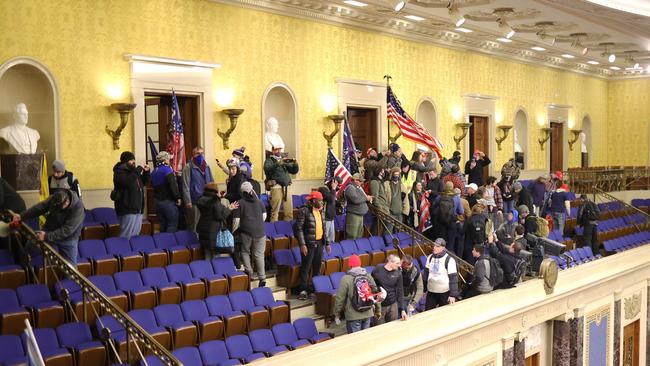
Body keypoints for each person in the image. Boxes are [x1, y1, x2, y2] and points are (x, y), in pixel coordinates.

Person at [14, 190, 84, 267]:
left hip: (68, 238)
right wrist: (22, 216)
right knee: (28, 249)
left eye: (59, 208)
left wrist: (46, 236)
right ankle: (22, 272)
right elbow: (39, 208)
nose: (57, 209)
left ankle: (68, 279)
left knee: (70, 268)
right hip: (50, 229)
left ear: (66, 202)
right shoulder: (55, 198)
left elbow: (67, 230)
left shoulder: (78, 208)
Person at [295, 191, 330, 300]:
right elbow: (298, 229)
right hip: (309, 244)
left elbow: (324, 227)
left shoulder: (321, 210)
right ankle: (303, 290)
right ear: (313, 200)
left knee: (317, 267)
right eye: (320, 200)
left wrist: (327, 242)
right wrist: (302, 244)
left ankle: (314, 289)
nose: (322, 202)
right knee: (306, 267)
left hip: (320, 243)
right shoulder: (304, 211)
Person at [333, 254, 381, 334]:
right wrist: (378, 310)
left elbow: (340, 298)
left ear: (350, 265)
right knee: (365, 338)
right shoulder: (368, 276)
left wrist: (337, 314)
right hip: (368, 312)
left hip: (353, 315)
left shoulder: (346, 279)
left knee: (354, 340)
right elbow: (376, 293)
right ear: (360, 263)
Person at [233, 181, 267, 287]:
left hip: (246, 232)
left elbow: (236, 221)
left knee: (245, 252)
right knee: (259, 255)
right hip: (260, 232)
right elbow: (264, 216)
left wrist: (233, 231)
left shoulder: (239, 203)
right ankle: (262, 277)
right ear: (252, 190)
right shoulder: (259, 201)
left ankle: (249, 273)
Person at [112, 151, 150, 238]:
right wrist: (137, 171)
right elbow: (127, 182)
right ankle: (122, 251)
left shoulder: (133, 172)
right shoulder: (119, 172)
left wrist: (146, 172)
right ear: (125, 161)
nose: (134, 162)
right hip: (127, 208)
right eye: (131, 160)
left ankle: (132, 251)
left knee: (135, 235)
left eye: (134, 159)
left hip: (138, 208)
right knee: (126, 235)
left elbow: (143, 183)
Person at [196, 183, 238, 260]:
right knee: (213, 256)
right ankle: (213, 270)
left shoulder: (201, 199)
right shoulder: (215, 201)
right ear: (215, 191)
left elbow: (210, 207)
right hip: (213, 231)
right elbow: (219, 216)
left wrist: (219, 199)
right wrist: (229, 209)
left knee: (206, 253)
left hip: (202, 229)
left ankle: (207, 270)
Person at [182, 146, 214, 232]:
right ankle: (193, 244)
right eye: (198, 153)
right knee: (194, 225)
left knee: (206, 224)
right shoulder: (188, 167)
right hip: (195, 201)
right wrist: (188, 201)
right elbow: (185, 185)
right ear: (193, 155)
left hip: (207, 200)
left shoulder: (207, 167)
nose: (200, 155)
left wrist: (215, 197)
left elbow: (212, 183)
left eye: (202, 153)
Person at [264, 145, 299, 222]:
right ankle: (273, 231)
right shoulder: (269, 160)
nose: (279, 151)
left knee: (289, 212)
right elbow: (267, 169)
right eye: (276, 149)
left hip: (287, 187)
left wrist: (295, 164)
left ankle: (287, 230)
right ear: (273, 150)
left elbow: (294, 171)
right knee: (275, 212)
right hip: (276, 187)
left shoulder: (284, 160)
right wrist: (278, 164)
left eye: (280, 149)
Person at [423, 238, 458, 310]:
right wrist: (424, 290)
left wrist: (452, 295)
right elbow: (426, 275)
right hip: (431, 292)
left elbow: (453, 278)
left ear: (443, 248)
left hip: (444, 293)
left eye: (437, 246)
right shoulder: (430, 257)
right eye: (434, 245)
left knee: (444, 314)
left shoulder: (449, 259)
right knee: (427, 313)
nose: (434, 247)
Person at [151, 151, 181, 233]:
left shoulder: (154, 171)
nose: (169, 160)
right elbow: (173, 185)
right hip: (168, 202)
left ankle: (162, 243)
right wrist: (178, 197)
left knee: (162, 224)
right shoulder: (167, 170)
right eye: (168, 159)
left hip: (157, 202)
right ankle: (169, 244)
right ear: (165, 159)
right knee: (172, 224)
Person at [372, 254, 407, 323]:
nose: (399, 265)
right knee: (379, 328)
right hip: (379, 306)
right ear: (390, 262)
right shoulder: (377, 269)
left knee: (393, 327)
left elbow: (400, 291)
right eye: (397, 263)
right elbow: (371, 285)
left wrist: (402, 309)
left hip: (393, 304)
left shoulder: (398, 273)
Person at [344, 173, 371, 239]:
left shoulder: (357, 188)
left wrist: (366, 197)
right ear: (355, 180)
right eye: (360, 181)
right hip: (353, 216)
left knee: (359, 236)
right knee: (352, 236)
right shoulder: (350, 187)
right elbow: (355, 200)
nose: (361, 183)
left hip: (359, 215)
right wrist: (366, 198)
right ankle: (351, 249)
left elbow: (361, 197)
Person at [318, 177, 341, 245]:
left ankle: (331, 254)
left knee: (331, 240)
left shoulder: (332, 192)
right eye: (336, 184)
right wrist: (333, 189)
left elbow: (334, 201)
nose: (337, 186)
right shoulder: (323, 189)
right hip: (325, 219)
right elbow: (331, 199)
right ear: (332, 183)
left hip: (331, 219)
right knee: (325, 240)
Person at [369, 169, 389, 235]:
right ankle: (376, 241)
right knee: (377, 227)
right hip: (380, 209)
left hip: (384, 207)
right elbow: (375, 197)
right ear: (379, 172)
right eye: (382, 171)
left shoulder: (380, 181)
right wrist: (379, 208)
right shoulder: (374, 182)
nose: (384, 172)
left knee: (382, 226)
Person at [386, 167, 403, 232]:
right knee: (389, 230)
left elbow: (405, 198)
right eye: (395, 175)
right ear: (392, 174)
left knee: (399, 230)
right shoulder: (387, 184)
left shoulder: (401, 184)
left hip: (399, 210)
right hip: (390, 211)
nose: (396, 176)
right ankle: (387, 242)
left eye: (398, 175)